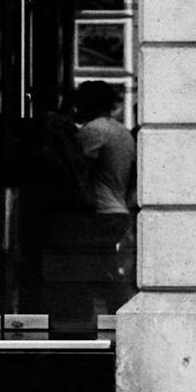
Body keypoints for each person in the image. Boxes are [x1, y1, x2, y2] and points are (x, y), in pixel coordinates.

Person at [74, 80, 137, 311]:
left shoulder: (93, 131)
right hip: (118, 209)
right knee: (108, 268)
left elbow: (79, 170)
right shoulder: (122, 132)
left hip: (100, 211)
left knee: (88, 272)